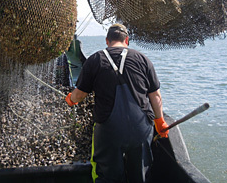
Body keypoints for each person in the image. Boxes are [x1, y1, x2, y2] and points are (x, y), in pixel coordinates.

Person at [65, 23, 169, 183]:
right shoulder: (142, 59)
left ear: (107, 41)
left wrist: (70, 99)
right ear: (126, 40)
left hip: (109, 130)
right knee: (140, 176)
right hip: (140, 129)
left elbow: (79, 96)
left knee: (107, 176)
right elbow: (155, 96)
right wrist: (160, 121)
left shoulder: (95, 60)